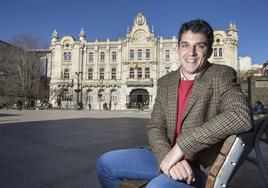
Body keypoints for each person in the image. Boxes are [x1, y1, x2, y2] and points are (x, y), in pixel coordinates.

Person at [96, 19, 254, 188]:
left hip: (197, 165)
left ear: (208, 51)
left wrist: (181, 147)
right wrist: (167, 156)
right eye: (185, 45)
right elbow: (155, 126)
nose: (191, 52)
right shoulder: (166, 81)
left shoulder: (221, 75)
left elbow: (241, 115)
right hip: (165, 155)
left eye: (200, 46)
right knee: (105, 164)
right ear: (178, 48)